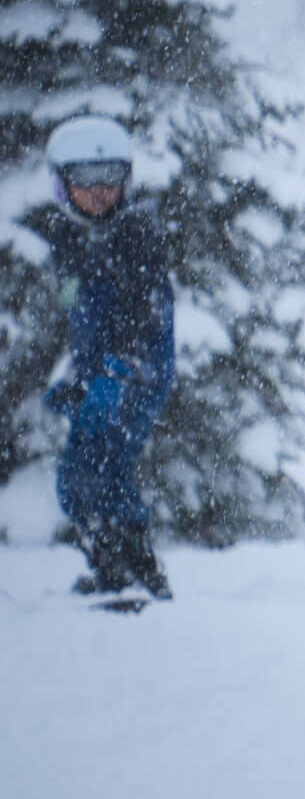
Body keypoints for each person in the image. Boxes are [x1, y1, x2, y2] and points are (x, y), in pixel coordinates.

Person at [39, 115, 175, 600]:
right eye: (85, 180)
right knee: (84, 477)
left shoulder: (137, 229)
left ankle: (131, 570)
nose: (99, 191)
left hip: (138, 373)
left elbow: (146, 313)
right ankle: (116, 565)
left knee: (99, 469)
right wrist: (77, 377)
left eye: (110, 178)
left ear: (127, 179)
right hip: (99, 374)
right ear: (62, 183)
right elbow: (77, 315)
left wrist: (118, 371)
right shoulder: (68, 235)